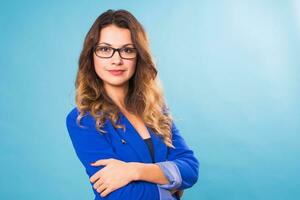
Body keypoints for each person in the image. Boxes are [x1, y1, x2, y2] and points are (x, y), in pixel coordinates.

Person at [65, 9, 199, 200]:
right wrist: (170, 185)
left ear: (138, 56)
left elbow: (191, 169)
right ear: (91, 55)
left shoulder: (157, 111)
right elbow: (117, 194)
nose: (116, 59)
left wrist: (134, 171)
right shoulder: (83, 120)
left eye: (127, 50)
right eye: (105, 49)